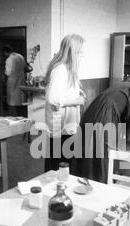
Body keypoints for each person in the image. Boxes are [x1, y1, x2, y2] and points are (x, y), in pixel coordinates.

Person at [44, 34, 86, 172]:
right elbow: (54, 99)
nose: (81, 56)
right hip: (59, 126)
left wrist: (78, 93)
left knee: (63, 163)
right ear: (71, 52)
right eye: (79, 52)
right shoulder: (60, 69)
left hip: (66, 125)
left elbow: (64, 92)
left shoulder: (68, 69)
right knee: (57, 165)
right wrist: (77, 101)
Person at [4, 45, 27, 117]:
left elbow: (8, 73)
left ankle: (13, 117)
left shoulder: (9, 59)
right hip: (21, 79)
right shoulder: (20, 56)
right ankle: (21, 116)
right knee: (20, 99)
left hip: (13, 81)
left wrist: (4, 71)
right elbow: (24, 67)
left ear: (5, 52)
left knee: (12, 101)